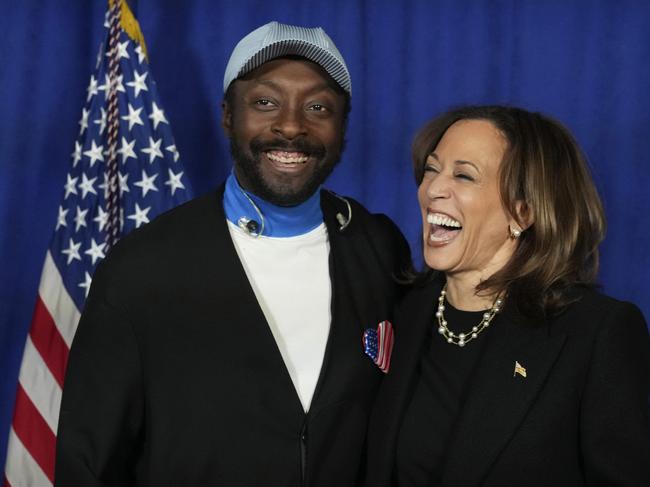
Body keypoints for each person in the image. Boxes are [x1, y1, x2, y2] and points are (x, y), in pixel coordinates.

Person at [55, 21, 411, 486]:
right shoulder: (142, 268)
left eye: (318, 106)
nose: (290, 125)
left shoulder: (377, 247)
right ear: (227, 115)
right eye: (265, 103)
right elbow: (88, 465)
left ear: (342, 124)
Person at [365, 105, 650, 487]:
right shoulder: (403, 309)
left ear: (523, 212)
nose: (432, 189)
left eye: (464, 175)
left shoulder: (597, 334)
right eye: (432, 169)